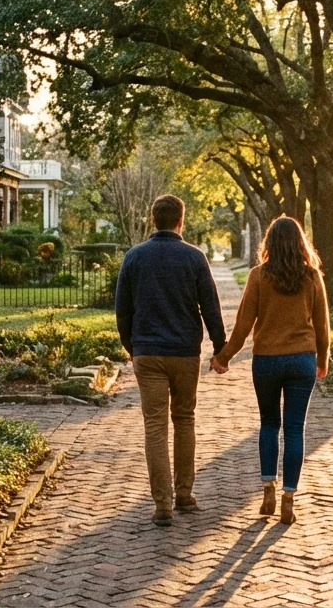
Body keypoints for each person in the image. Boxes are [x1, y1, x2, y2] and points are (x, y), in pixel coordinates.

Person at [210, 215, 330, 525]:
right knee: (294, 429)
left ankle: (268, 490)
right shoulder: (312, 277)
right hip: (302, 360)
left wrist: (224, 356)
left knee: (268, 425)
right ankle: (289, 498)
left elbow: (243, 326)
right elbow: (322, 325)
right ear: (300, 243)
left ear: (270, 244)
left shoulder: (258, 276)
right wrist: (322, 359)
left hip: (266, 361)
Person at [115, 194, 226, 527]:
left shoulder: (134, 257)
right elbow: (210, 306)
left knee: (154, 427)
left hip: (147, 352)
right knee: (185, 420)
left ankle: (162, 504)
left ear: (153, 221)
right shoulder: (194, 257)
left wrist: (131, 347)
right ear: (181, 221)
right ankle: (184, 494)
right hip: (184, 353)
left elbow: (122, 310)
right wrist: (220, 348)